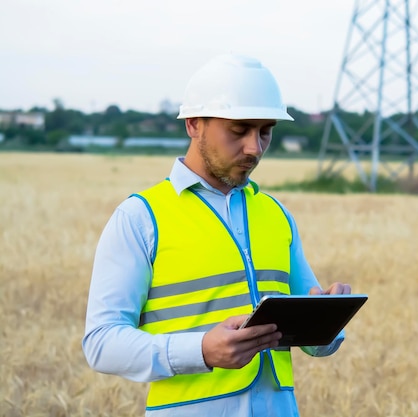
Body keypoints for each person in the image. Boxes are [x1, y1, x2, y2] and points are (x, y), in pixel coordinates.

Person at [82, 53, 352, 416]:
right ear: (193, 124)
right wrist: (202, 351)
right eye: (239, 130)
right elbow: (100, 343)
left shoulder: (276, 215)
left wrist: (327, 321)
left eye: (265, 131)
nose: (254, 148)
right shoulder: (140, 218)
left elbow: (316, 345)